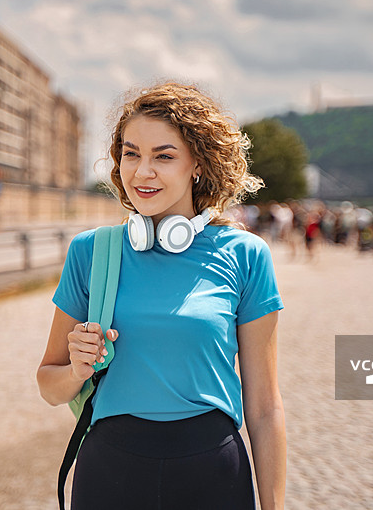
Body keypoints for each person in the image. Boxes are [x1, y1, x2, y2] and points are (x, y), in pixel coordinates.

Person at [37, 82, 286, 510]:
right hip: (109, 474)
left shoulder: (246, 255)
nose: (142, 171)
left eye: (163, 156)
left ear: (197, 166)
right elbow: (49, 386)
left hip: (213, 475)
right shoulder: (91, 251)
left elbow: (264, 409)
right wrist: (77, 369)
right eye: (131, 154)